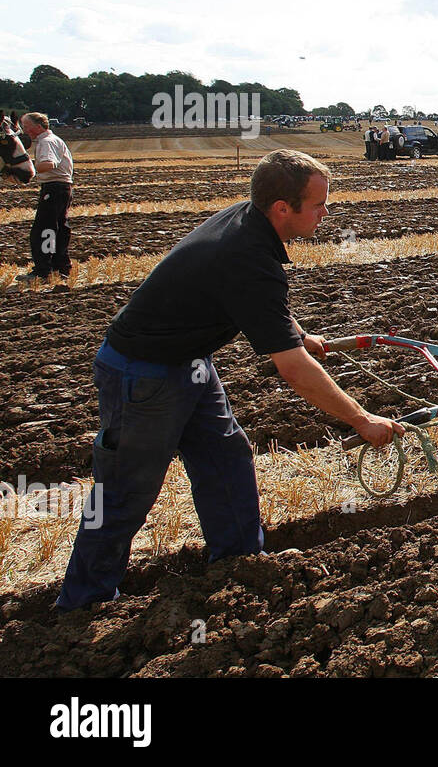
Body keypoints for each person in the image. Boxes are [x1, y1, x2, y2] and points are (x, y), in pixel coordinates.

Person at [55, 150, 404, 611]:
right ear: (283, 208)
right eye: (319, 204)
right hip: (142, 373)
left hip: (188, 362)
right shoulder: (249, 256)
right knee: (125, 491)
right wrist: (361, 420)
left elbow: (256, 306)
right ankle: (83, 602)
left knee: (225, 456)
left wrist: (297, 332)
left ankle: (240, 558)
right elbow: (293, 370)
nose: (326, 213)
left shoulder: (250, 222)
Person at [13, 112, 74, 283]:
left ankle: (42, 271)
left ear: (38, 126)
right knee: (59, 228)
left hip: (54, 188)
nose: (24, 130)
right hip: (62, 188)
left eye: (26, 126)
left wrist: (27, 168)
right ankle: (61, 267)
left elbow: (48, 164)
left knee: (43, 230)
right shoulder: (52, 140)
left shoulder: (47, 142)